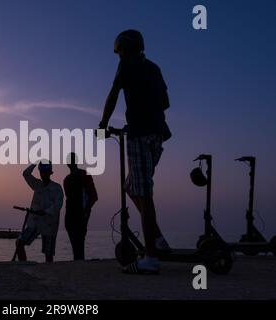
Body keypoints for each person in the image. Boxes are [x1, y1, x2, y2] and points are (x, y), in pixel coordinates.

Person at [99, 29, 171, 274]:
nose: (119, 57)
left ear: (125, 50)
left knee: (144, 192)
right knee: (132, 187)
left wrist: (102, 126)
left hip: (140, 134)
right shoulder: (154, 68)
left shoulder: (127, 66)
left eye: (120, 52)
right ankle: (158, 238)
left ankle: (150, 257)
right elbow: (165, 103)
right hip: (158, 135)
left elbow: (112, 96)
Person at [15, 161, 64, 263]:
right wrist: (34, 163)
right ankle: (23, 264)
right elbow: (26, 174)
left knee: (48, 254)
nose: (43, 175)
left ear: (50, 173)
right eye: (42, 172)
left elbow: (57, 205)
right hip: (35, 222)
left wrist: (45, 211)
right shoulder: (37, 185)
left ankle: (49, 272)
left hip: (49, 224)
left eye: (45, 172)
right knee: (19, 243)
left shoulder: (57, 188)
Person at [63, 152, 98, 260]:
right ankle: (78, 260)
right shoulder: (66, 180)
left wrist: (86, 211)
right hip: (70, 216)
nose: (71, 163)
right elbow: (68, 198)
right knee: (75, 242)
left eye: (73, 160)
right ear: (67, 164)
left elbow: (93, 196)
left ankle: (79, 260)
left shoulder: (84, 175)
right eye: (70, 161)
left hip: (81, 214)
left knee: (79, 240)